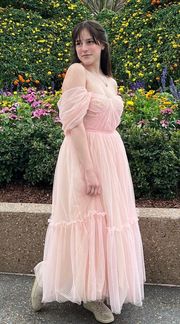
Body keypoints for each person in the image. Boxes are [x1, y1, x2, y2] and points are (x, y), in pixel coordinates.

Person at [31, 20, 146, 323]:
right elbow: (73, 124)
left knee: (107, 222)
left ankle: (92, 286)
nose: (83, 48)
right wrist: (89, 169)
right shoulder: (76, 72)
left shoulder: (110, 81)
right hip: (84, 156)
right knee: (85, 220)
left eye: (90, 42)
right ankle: (71, 288)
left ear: (103, 45)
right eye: (79, 43)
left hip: (111, 156)